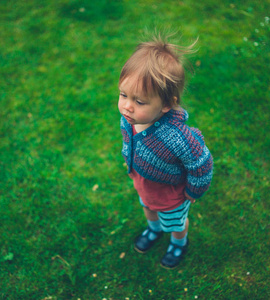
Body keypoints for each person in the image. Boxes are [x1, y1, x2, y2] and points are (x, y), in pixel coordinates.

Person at [118, 33, 214, 269]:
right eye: (123, 95)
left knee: (176, 222)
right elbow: (131, 142)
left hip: (171, 193)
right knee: (148, 207)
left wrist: (195, 189)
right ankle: (153, 229)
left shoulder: (177, 137)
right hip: (144, 182)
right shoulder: (129, 119)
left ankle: (178, 243)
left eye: (140, 101)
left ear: (166, 104)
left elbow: (202, 163)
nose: (127, 106)